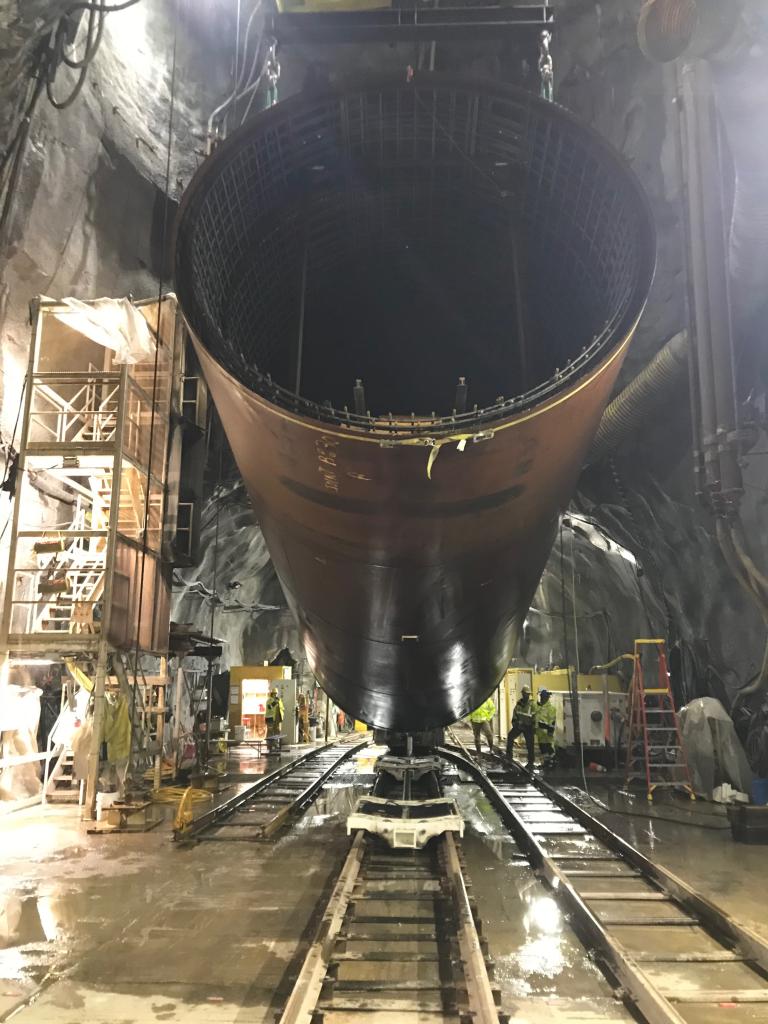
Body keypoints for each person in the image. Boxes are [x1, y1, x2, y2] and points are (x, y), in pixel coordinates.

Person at [506, 686, 536, 766]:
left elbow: (535, 717)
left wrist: (533, 727)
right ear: (522, 694)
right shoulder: (518, 704)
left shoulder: (532, 705)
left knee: (530, 743)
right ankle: (508, 756)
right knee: (510, 736)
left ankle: (531, 762)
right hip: (519, 726)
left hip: (528, 726)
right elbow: (515, 715)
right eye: (525, 694)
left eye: (528, 694)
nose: (527, 695)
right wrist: (516, 724)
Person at [536, 688, 557, 767]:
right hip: (541, 732)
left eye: (542, 697)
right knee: (543, 749)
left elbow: (552, 721)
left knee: (548, 748)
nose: (541, 698)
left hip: (546, 732)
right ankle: (546, 762)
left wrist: (550, 731)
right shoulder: (541, 706)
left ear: (546, 698)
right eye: (541, 696)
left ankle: (553, 760)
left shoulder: (550, 708)